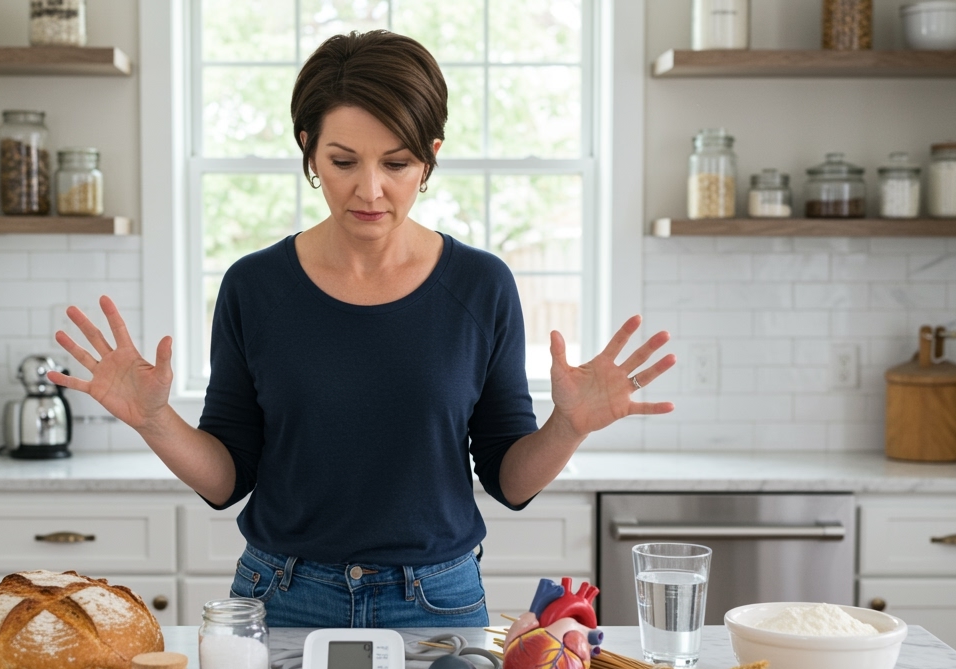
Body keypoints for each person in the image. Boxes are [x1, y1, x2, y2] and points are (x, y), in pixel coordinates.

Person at [49, 30, 675, 628]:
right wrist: (154, 420)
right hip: (282, 594)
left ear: (430, 158)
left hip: (437, 600)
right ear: (309, 151)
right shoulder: (253, 287)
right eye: (343, 160)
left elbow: (508, 483)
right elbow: (227, 480)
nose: (369, 190)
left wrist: (567, 427)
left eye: (396, 163)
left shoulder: (482, 286)